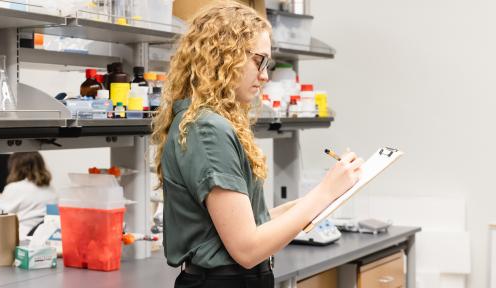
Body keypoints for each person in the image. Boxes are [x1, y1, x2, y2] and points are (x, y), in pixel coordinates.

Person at [151, 2, 363, 287]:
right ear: (223, 55)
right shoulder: (207, 129)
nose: (265, 75)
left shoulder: (208, 122)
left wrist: (324, 196)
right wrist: (324, 193)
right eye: (258, 60)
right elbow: (247, 249)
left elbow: (250, 222)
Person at [0, 152, 57, 240]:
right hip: (41, 243)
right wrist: (4, 198)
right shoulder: (50, 189)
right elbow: (28, 203)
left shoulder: (16, 188)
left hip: (21, 244)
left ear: (15, 167)